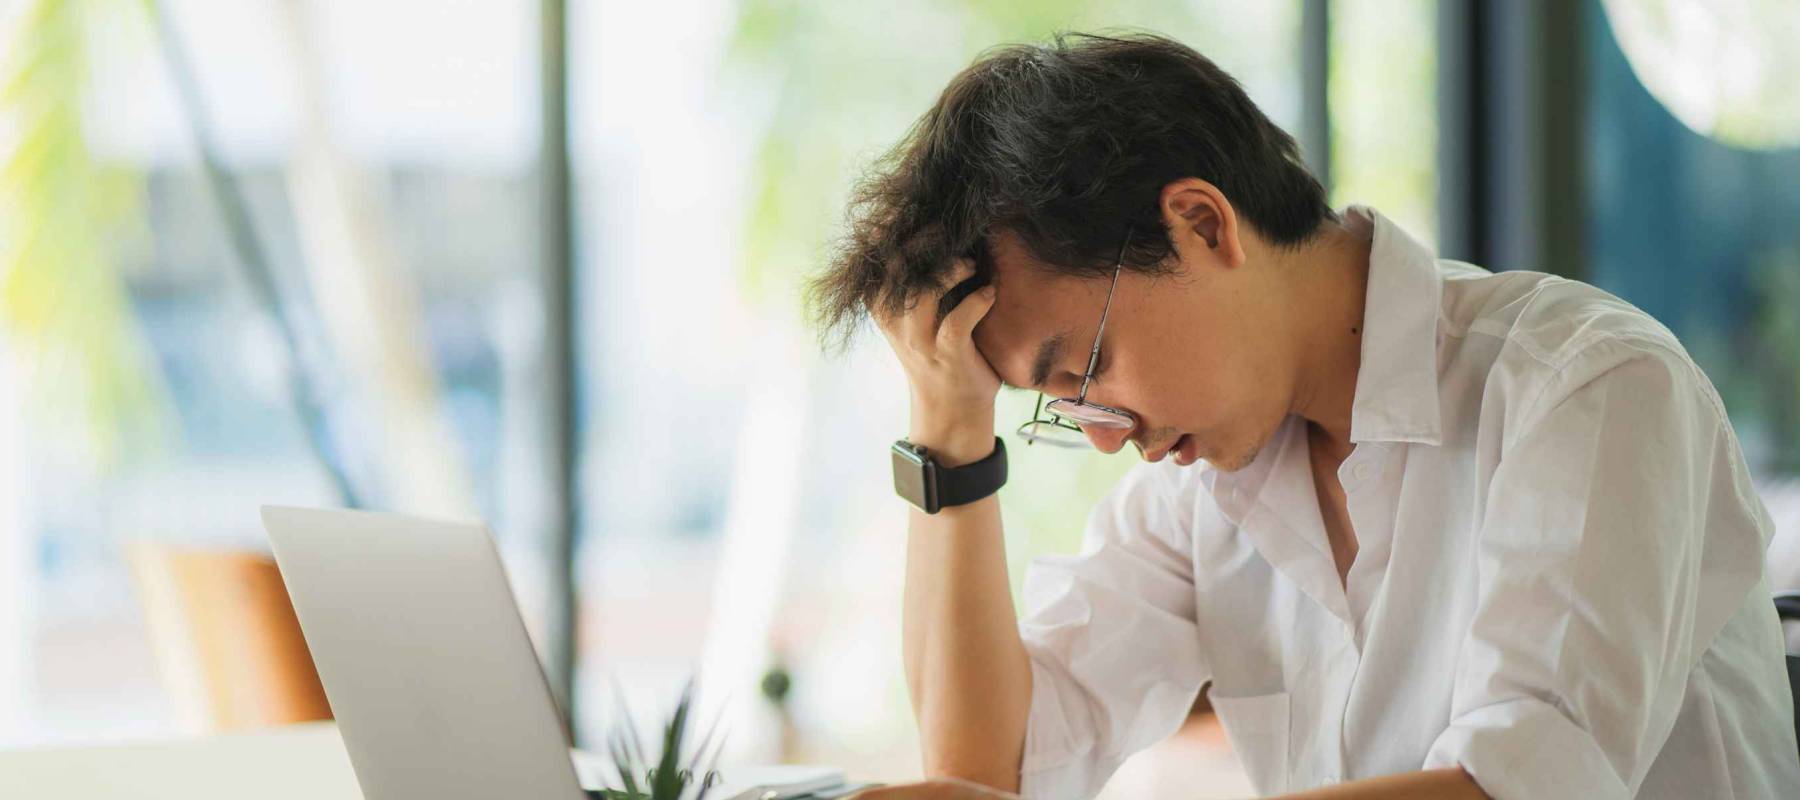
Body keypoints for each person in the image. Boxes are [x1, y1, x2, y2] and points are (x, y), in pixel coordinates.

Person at [816, 32, 1800, 800]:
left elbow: (1517, 784)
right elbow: (991, 772)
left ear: (1201, 224)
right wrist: (949, 428)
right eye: (1063, 409)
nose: (1107, 434)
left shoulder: (1583, 386)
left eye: (1084, 367)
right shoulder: (1204, 491)